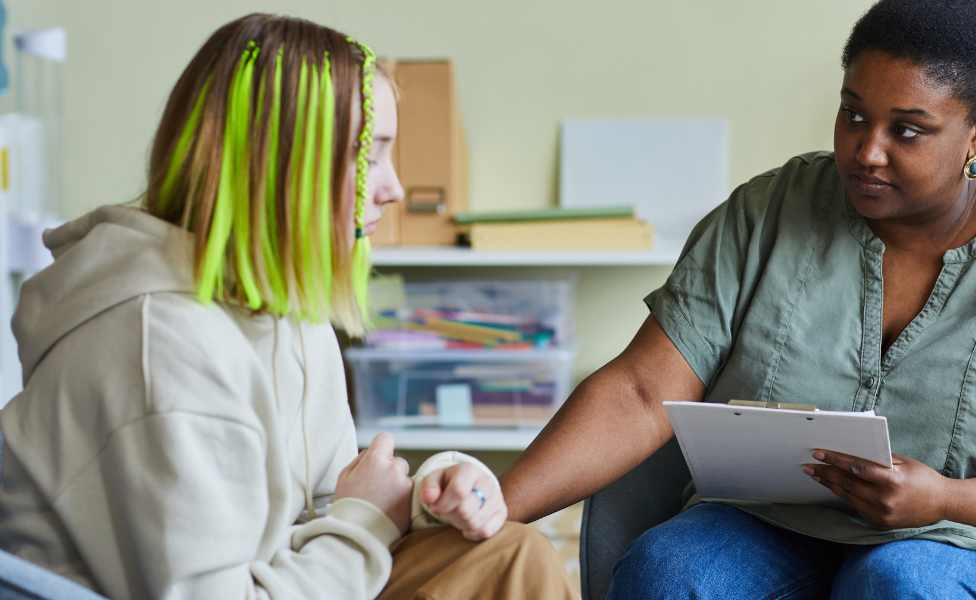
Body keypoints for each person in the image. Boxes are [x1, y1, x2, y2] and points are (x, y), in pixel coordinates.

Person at [499, 1, 976, 599]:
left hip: (975, 545)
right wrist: (493, 508)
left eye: (907, 130)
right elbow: (641, 391)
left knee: (898, 582)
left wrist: (947, 499)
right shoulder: (767, 212)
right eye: (853, 113)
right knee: (672, 572)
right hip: (772, 525)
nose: (866, 151)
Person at [0, 14, 573, 600]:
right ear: (283, 165)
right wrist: (366, 520)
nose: (395, 189)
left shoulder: (285, 310)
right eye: (369, 157)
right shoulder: (159, 345)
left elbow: (327, 502)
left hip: (281, 577)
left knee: (514, 551)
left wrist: (432, 493)